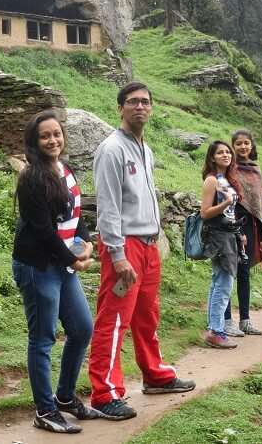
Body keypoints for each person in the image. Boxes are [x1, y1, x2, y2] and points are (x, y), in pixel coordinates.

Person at [89, 82, 196, 420]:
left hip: (148, 245)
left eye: (145, 102)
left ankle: (155, 375)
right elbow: (107, 207)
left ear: (151, 108)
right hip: (125, 245)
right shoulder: (111, 149)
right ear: (120, 107)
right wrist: (118, 255)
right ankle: (105, 393)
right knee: (114, 319)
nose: (140, 107)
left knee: (146, 315)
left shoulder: (145, 150)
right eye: (132, 102)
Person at [12, 110, 102, 434]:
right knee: (43, 338)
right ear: (34, 142)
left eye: (57, 134)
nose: (53, 140)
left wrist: (87, 243)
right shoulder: (32, 178)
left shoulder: (66, 169)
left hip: (62, 264)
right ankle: (45, 410)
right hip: (38, 266)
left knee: (81, 329)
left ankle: (65, 397)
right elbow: (43, 232)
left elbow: (77, 214)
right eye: (45, 136)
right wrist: (74, 259)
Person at [223, 129, 262, 336]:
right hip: (229, 225)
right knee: (226, 271)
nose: (243, 147)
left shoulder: (256, 170)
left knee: (244, 272)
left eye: (246, 143)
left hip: (250, 227)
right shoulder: (228, 169)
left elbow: (261, 205)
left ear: (252, 146)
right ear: (233, 146)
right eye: (239, 143)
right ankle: (225, 320)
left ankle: (245, 320)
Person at [199, 141, 244, 348]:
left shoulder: (226, 179)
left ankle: (214, 328)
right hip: (218, 237)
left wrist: (239, 233)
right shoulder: (211, 181)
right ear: (212, 157)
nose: (225, 155)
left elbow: (231, 213)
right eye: (220, 152)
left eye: (228, 152)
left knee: (219, 282)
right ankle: (216, 331)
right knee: (223, 284)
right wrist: (225, 203)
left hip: (230, 234)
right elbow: (205, 213)